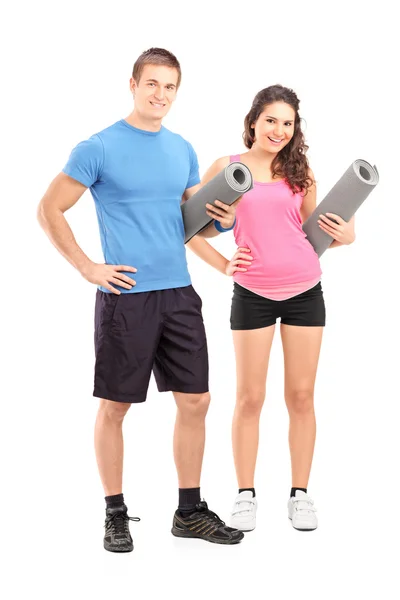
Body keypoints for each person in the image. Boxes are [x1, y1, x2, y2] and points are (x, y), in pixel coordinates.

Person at [37, 47, 244, 551]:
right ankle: (114, 513)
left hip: (178, 293)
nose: (161, 95)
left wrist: (226, 220)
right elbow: (49, 209)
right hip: (126, 297)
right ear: (132, 84)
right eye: (152, 84)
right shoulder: (99, 147)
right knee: (115, 407)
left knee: (197, 399)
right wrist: (89, 267)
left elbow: (192, 226)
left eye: (170, 86)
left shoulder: (182, 149)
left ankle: (190, 512)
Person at [187, 84, 356, 532]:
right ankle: (246, 494)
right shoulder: (227, 167)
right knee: (249, 398)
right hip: (253, 294)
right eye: (271, 120)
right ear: (253, 121)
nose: (279, 130)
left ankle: (300, 494)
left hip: (305, 291)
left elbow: (318, 233)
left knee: (301, 397)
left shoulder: (302, 172)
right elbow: (189, 226)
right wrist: (224, 262)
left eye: (288, 123)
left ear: (295, 128)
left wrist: (347, 233)